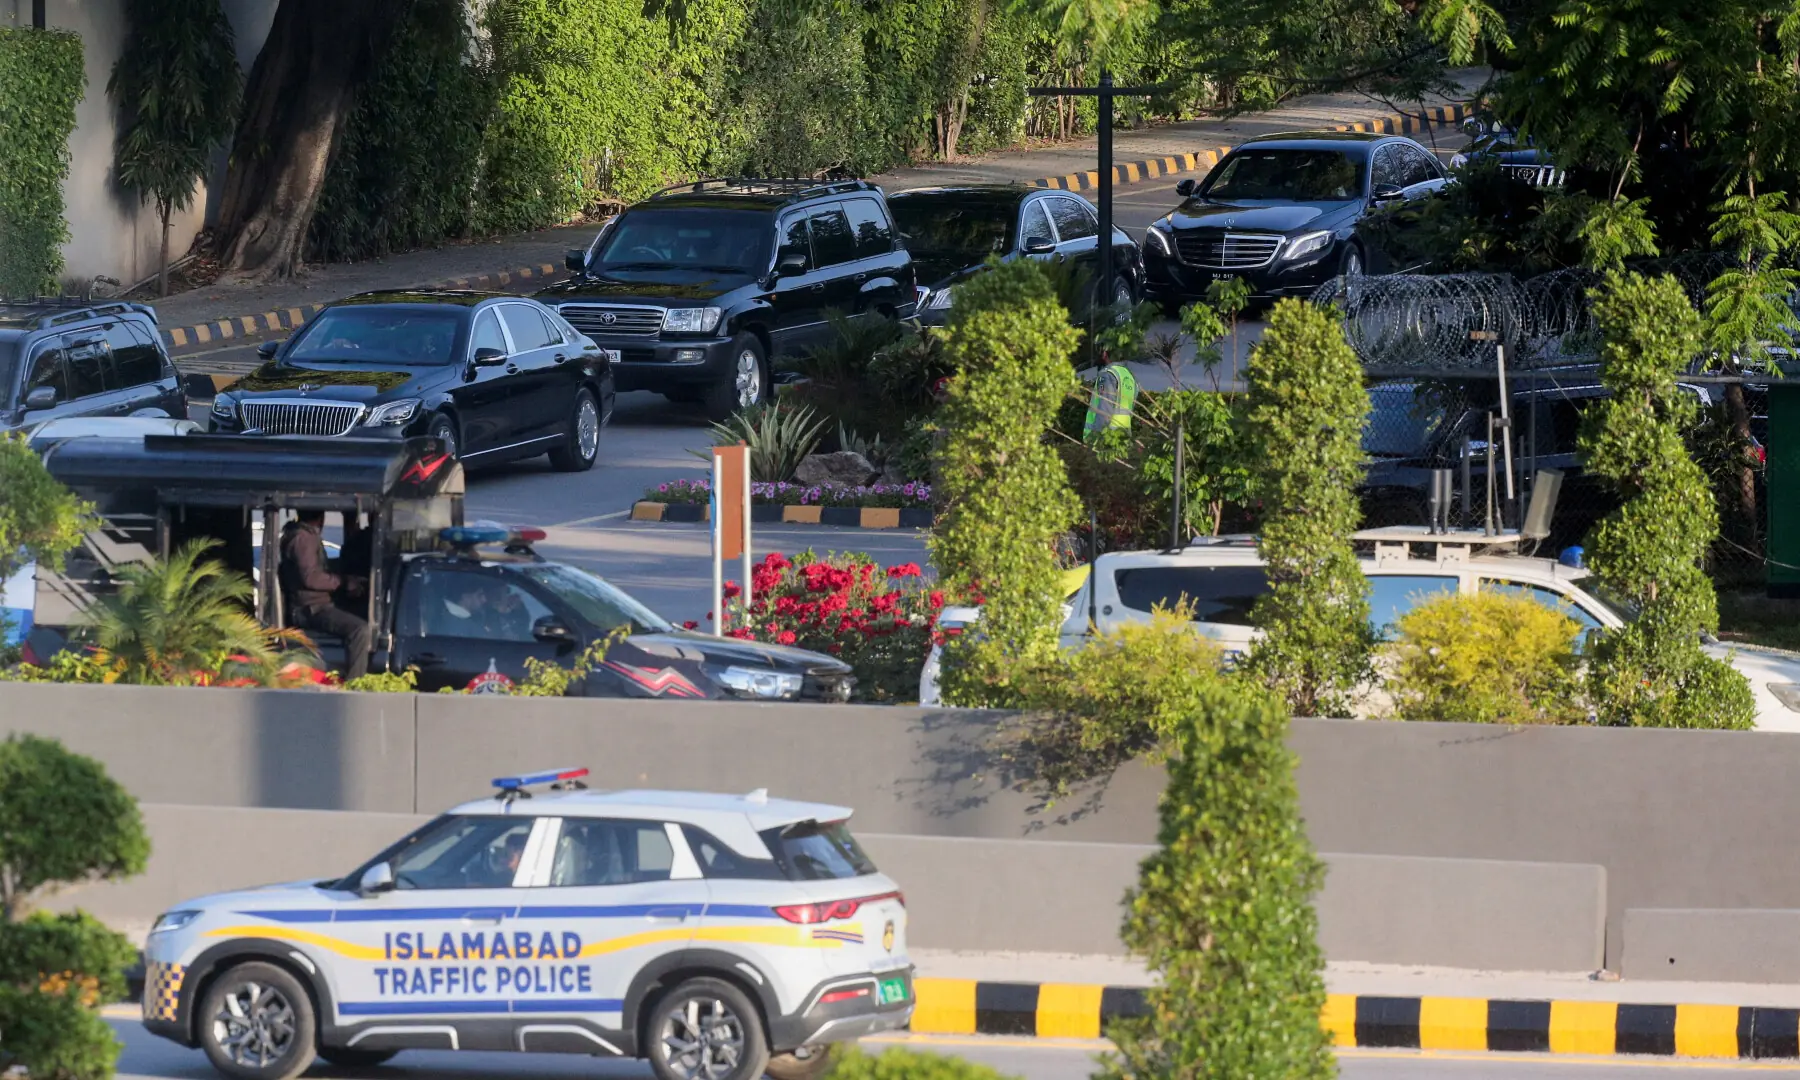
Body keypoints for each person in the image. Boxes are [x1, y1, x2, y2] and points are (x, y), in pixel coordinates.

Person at [279, 511, 372, 680]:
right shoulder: (304, 538)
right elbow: (311, 577)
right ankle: (355, 684)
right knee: (361, 630)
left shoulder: (304, 536)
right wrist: (343, 582)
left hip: (315, 604)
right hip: (310, 609)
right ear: (322, 518)